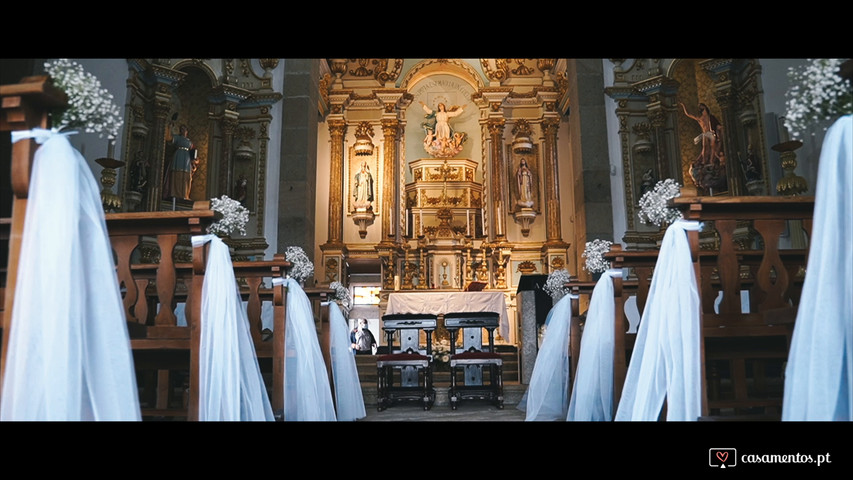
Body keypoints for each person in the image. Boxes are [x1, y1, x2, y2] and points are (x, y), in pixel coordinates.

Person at [166, 123, 199, 200]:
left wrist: (195, 160)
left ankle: (184, 194)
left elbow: (194, 153)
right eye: (181, 129)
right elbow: (168, 138)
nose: (182, 130)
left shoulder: (189, 142)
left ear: (187, 131)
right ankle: (175, 193)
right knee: (177, 174)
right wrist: (170, 128)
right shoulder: (177, 138)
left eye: (184, 129)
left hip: (187, 159)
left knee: (186, 176)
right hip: (178, 156)